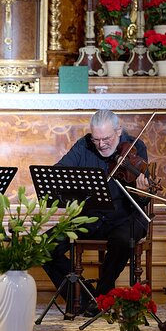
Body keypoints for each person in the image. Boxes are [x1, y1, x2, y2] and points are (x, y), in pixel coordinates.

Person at [42, 109, 151, 316]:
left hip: (126, 216)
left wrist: (143, 191)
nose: (101, 144)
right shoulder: (84, 145)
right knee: (44, 247)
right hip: (92, 216)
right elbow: (58, 172)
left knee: (121, 240)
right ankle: (84, 298)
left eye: (106, 138)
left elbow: (141, 197)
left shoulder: (135, 148)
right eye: (96, 139)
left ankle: (102, 295)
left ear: (118, 131)